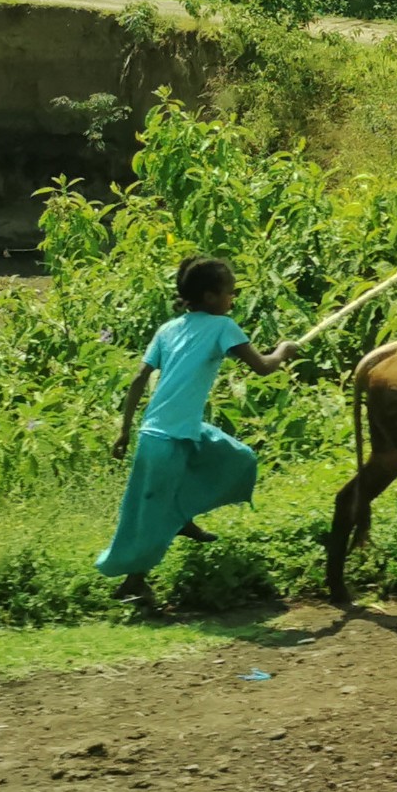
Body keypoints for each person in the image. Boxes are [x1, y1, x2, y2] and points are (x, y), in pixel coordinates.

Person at [97, 257, 297, 610]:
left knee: (238, 458)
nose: (233, 298)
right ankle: (134, 584)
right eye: (229, 292)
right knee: (150, 516)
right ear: (209, 297)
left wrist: (125, 430)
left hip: (174, 430)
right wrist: (284, 350)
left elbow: (138, 380)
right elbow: (264, 368)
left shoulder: (168, 329)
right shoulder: (223, 327)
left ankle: (182, 516)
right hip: (167, 438)